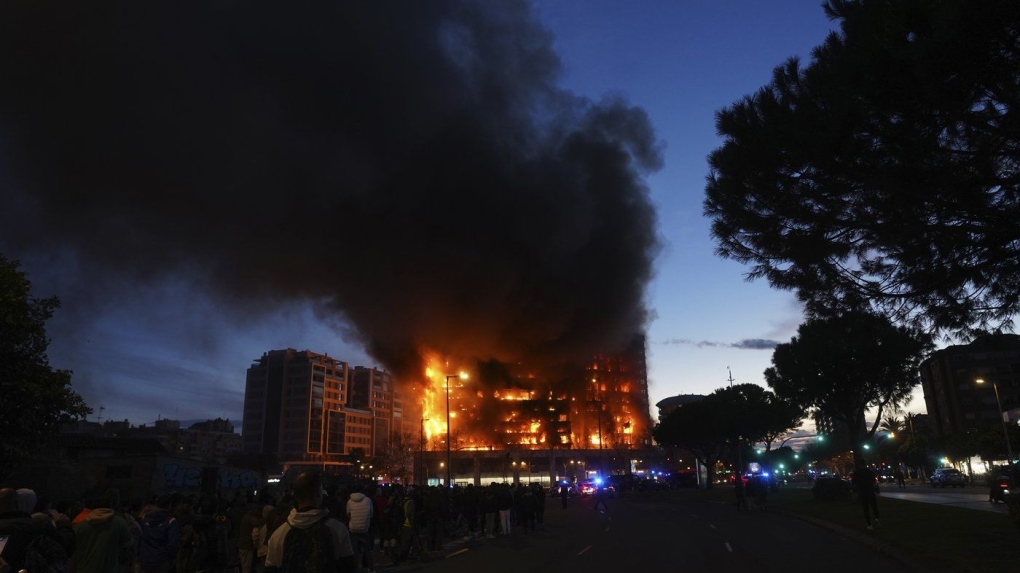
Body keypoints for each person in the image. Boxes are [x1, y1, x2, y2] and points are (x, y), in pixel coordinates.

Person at [264, 470, 355, 572]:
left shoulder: (278, 535)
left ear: (295, 496)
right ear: (319, 494)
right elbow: (349, 567)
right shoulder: (338, 529)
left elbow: (270, 569)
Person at [72, 489, 135, 573]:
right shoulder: (119, 523)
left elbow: (74, 554)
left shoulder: (80, 526)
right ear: (112, 504)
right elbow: (128, 544)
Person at [138, 494, 181, 573]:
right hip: (161, 560)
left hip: (144, 558)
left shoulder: (145, 517)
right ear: (170, 505)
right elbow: (173, 543)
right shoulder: (171, 521)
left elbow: (140, 537)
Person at [346, 483, 374, 573]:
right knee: (367, 550)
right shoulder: (368, 500)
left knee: (354, 551)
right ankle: (371, 569)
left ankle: (355, 569)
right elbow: (371, 513)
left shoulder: (349, 501)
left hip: (353, 528)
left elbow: (347, 513)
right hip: (364, 528)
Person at [851, 459, 880, 530]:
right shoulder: (869, 471)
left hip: (863, 491)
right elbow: (873, 480)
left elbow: (853, 482)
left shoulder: (857, 472)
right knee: (874, 506)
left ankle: (869, 524)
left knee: (866, 508)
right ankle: (877, 518)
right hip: (870, 490)